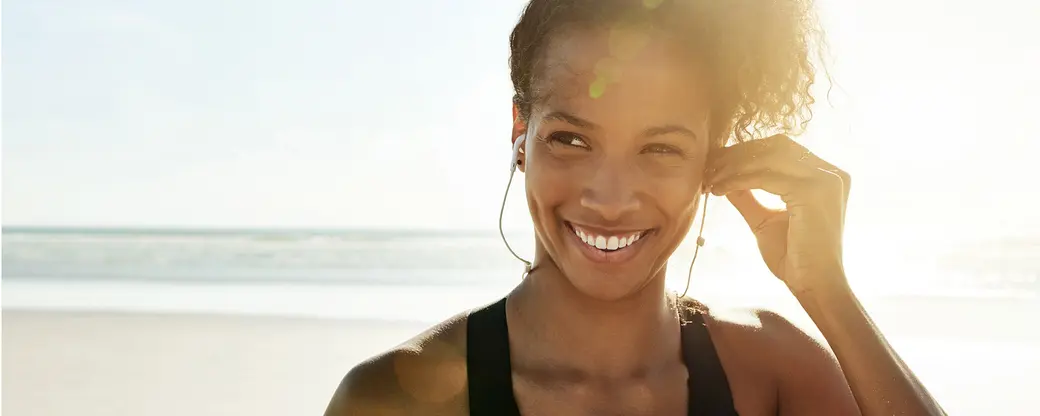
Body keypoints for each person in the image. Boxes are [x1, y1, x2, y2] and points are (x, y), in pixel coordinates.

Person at [325, 0, 947, 414]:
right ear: (521, 130)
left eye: (660, 148)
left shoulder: (771, 373)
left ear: (715, 153)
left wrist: (827, 293)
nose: (610, 198)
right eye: (571, 139)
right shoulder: (394, 398)